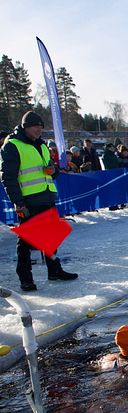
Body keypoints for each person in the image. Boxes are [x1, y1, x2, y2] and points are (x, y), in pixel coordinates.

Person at [0, 111, 78, 291]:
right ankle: (25, 278)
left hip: (46, 196)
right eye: (36, 127)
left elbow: (52, 170)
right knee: (26, 241)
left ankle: (54, 271)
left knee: (50, 237)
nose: (39, 130)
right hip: (28, 200)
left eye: (41, 127)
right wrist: (18, 203)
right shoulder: (12, 146)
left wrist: (53, 170)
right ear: (25, 126)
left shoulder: (41, 145)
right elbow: (8, 178)